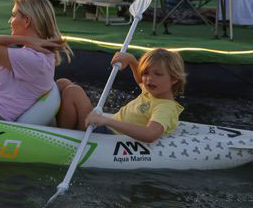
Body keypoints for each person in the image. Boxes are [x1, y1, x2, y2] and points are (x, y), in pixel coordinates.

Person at [56, 48, 185, 143]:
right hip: (104, 128)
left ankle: (63, 137)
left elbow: (150, 134)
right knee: (63, 83)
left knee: (73, 91)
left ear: (174, 79)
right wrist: (131, 60)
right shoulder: (153, 92)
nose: (149, 79)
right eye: (146, 73)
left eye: (158, 74)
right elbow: (140, 80)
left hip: (108, 135)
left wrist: (107, 121)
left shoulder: (165, 107)